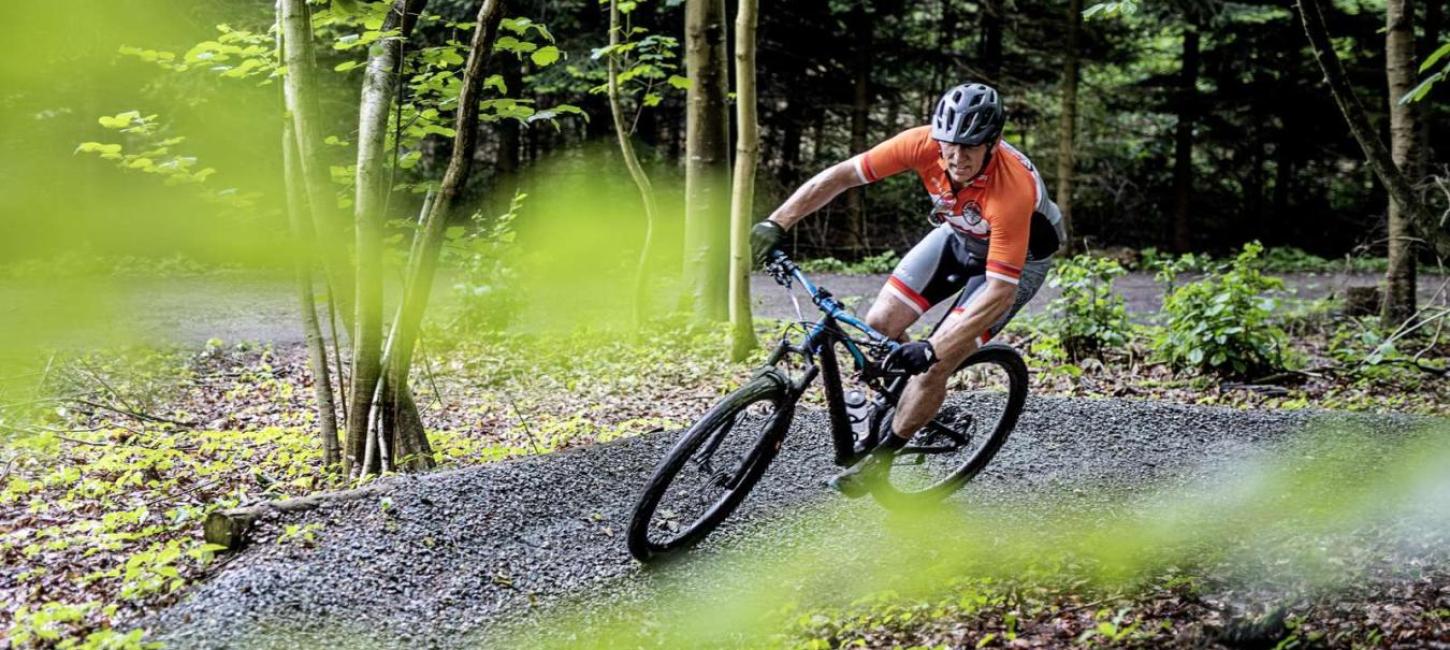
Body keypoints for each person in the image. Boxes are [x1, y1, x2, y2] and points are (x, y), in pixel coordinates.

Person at [750, 82, 1065, 497]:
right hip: (959, 237)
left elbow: (999, 294)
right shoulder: (922, 144)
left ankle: (882, 461)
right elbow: (842, 176)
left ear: (993, 143)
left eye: (970, 147)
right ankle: (901, 393)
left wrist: (934, 350)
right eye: (949, 144)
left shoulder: (1011, 189)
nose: (956, 156)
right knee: (880, 322)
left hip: (1016, 266)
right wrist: (777, 222)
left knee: (937, 362)